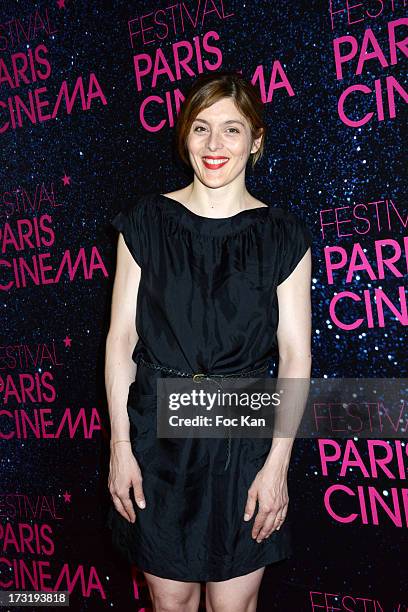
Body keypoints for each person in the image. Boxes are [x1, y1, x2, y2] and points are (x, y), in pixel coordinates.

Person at [105, 71, 313, 612]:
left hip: (244, 440)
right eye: (200, 129)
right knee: (168, 600)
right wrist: (120, 448)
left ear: (256, 140)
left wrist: (277, 465)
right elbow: (121, 339)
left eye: (231, 130)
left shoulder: (283, 235)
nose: (214, 145)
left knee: (232, 605)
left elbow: (294, 354)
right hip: (157, 438)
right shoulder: (145, 223)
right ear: (184, 137)